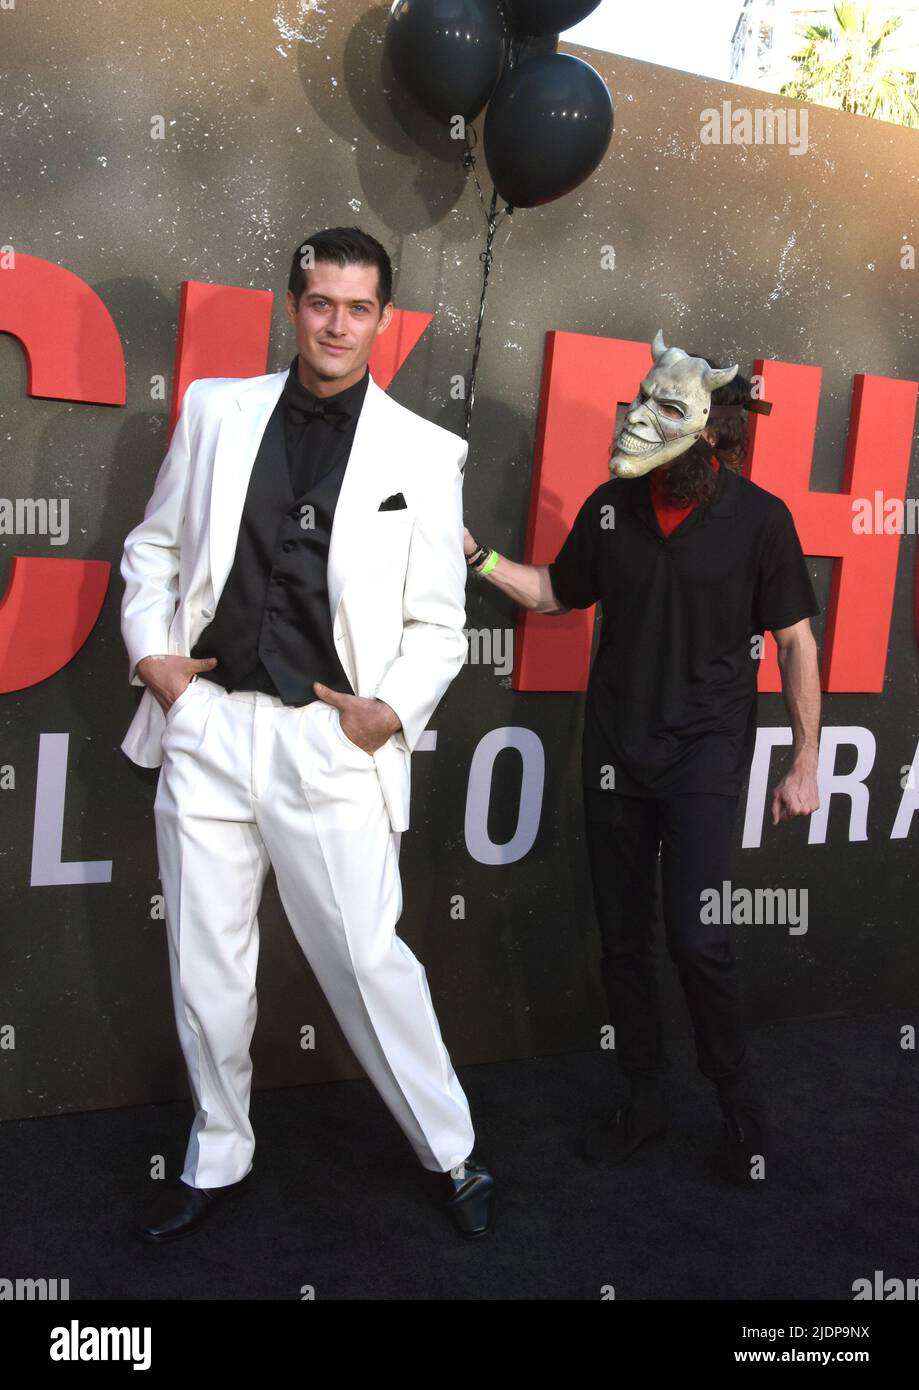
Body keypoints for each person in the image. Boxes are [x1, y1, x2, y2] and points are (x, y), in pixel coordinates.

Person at [119, 225, 494, 1240]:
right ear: (293, 305)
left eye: (357, 307)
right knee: (206, 963)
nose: (336, 323)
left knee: (368, 964)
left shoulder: (423, 451)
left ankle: (449, 1151)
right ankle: (218, 1150)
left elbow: (438, 627)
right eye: (320, 302)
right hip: (204, 727)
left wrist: (385, 716)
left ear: (383, 318)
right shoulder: (214, 411)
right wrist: (155, 659)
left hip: (327, 744)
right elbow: (152, 548)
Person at [463, 332, 821, 1186]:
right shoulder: (609, 507)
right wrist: (474, 556)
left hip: (701, 756)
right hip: (614, 752)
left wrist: (805, 759)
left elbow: (797, 642)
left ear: (710, 432)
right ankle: (645, 1097)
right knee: (622, 941)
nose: (639, 421)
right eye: (639, 403)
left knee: (697, 940)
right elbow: (556, 591)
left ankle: (741, 1111)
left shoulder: (759, 519)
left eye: (666, 409)